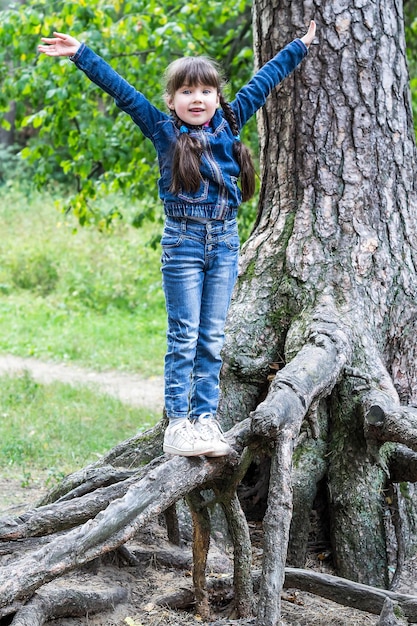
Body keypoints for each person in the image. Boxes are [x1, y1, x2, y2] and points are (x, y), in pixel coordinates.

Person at [38, 21, 316, 458]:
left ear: (217, 97)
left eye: (205, 91)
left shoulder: (231, 121)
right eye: (186, 92)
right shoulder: (164, 131)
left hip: (224, 243)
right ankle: (177, 424)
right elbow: (124, 92)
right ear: (172, 101)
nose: (197, 99)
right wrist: (81, 54)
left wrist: (298, 47)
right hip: (183, 246)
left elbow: (264, 80)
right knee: (184, 337)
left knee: (212, 338)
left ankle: (205, 420)